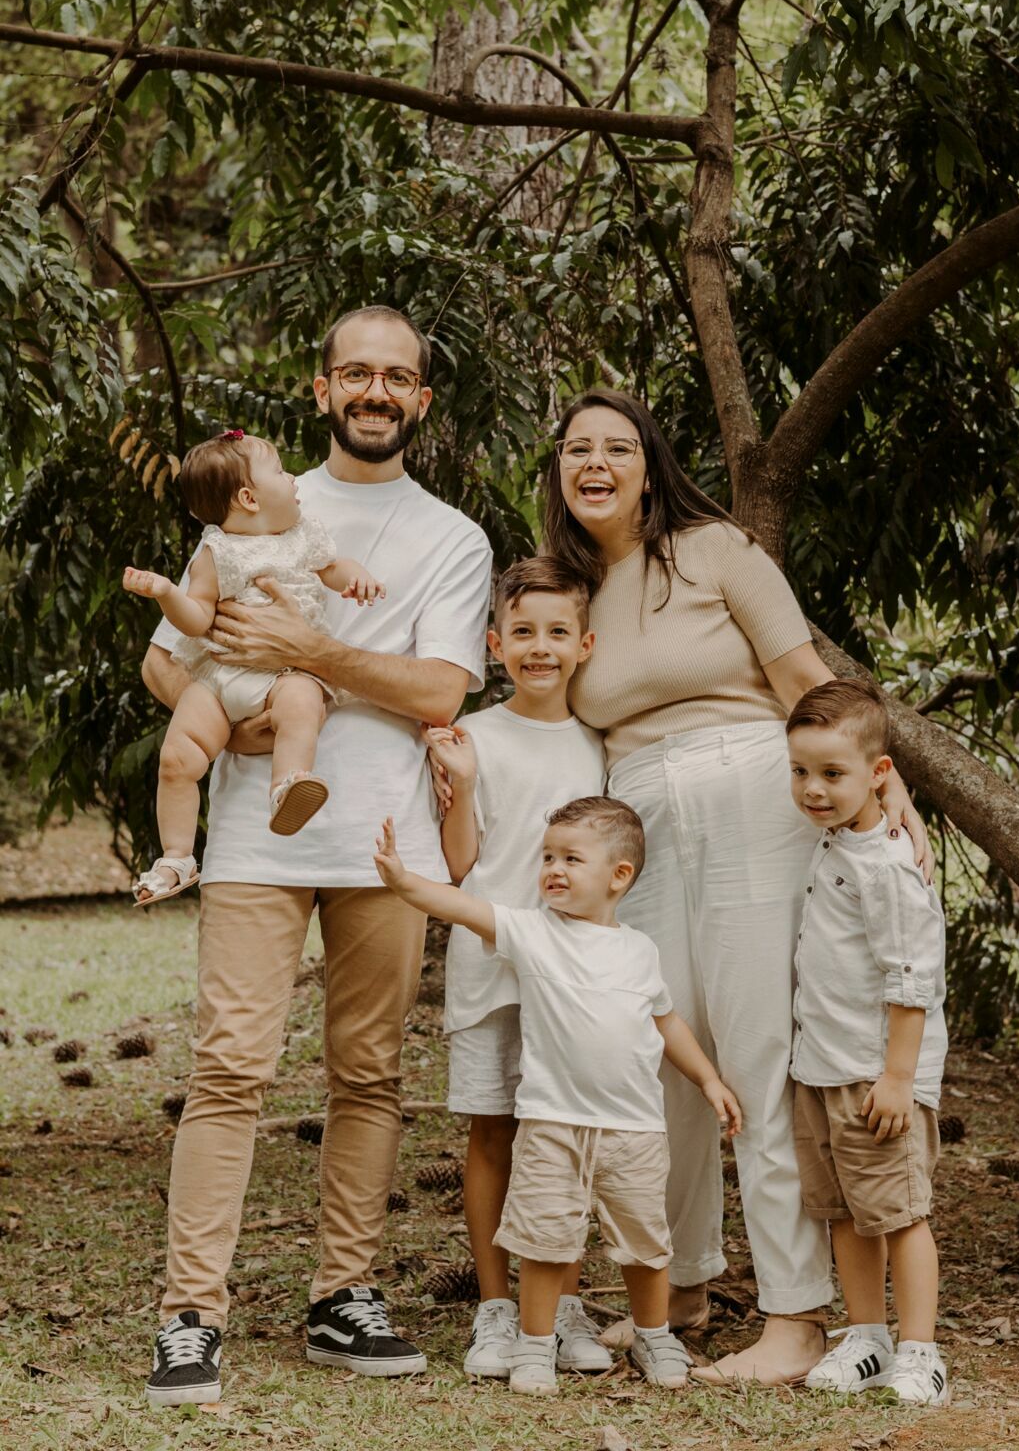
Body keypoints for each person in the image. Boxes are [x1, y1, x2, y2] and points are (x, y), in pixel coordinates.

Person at [542, 387, 932, 1385]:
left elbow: (804, 676)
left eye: (614, 446)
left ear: (648, 463)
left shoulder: (714, 551)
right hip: (640, 815)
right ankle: (674, 1293)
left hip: (751, 795)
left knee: (759, 1054)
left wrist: (887, 791)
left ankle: (796, 1314)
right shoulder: (571, 589)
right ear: (557, 473)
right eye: (574, 448)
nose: (593, 461)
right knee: (659, 1052)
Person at [139, 306, 492, 1407]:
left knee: (369, 1072)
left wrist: (308, 649)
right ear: (322, 387)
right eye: (356, 374)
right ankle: (190, 1312)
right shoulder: (251, 501)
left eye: (396, 377)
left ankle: (345, 1294)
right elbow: (167, 660)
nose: (375, 391)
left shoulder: (453, 537)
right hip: (252, 835)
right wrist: (234, 718)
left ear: (420, 400)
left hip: (385, 839)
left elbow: (441, 687)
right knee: (229, 1068)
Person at [373, 796, 742, 1397]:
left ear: (619, 875)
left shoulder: (640, 951)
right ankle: (536, 1345)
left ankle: (654, 1333)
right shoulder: (532, 932)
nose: (554, 868)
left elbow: (667, 1023)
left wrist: (708, 1078)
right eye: (548, 856)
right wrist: (402, 878)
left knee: (645, 1245)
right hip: (551, 1125)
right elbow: (462, 906)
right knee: (545, 1241)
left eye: (572, 858)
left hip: (634, 1130)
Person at [423, 556, 610, 1381]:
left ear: (585, 645)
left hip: (573, 975)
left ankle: (561, 1305)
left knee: (563, 1137)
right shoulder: (475, 738)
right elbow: (460, 865)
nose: (540, 647)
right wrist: (459, 786)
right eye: (524, 633)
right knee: (493, 1129)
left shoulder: (602, 745)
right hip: (492, 961)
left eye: (557, 633)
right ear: (496, 644)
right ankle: (496, 1310)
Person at [124, 430, 385, 904]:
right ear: (248, 497)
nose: (292, 479)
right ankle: (177, 856)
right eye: (281, 472)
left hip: (283, 674)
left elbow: (332, 567)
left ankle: (287, 786)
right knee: (177, 758)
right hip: (219, 678)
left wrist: (357, 578)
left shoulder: (303, 536)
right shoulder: (216, 552)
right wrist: (168, 594)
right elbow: (199, 618)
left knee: (304, 704)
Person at [785, 680, 949, 1405]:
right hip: (822, 1066)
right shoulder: (831, 845)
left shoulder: (886, 865)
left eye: (831, 774)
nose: (813, 789)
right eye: (800, 772)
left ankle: (919, 1351)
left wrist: (896, 1076)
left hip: (874, 1071)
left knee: (900, 1213)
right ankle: (866, 1338)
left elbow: (910, 979)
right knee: (846, 1213)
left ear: (879, 774)